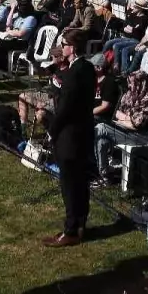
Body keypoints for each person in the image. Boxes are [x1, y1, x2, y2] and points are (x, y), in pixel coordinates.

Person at [43, 28, 97, 248]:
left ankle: (71, 230)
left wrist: (51, 130)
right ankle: (80, 224)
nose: (61, 47)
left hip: (70, 136)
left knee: (71, 184)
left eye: (63, 44)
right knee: (80, 182)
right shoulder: (87, 68)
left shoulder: (75, 73)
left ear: (72, 48)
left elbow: (64, 109)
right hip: (83, 131)